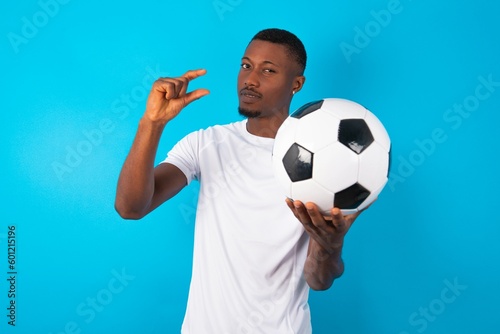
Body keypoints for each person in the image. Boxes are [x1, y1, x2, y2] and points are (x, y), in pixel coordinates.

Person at [115, 28, 365, 333]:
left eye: (268, 70)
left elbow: (319, 280)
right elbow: (130, 207)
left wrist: (331, 247)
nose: (250, 79)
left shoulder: (321, 161)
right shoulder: (206, 143)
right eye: (246, 66)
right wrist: (151, 123)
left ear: (296, 84)